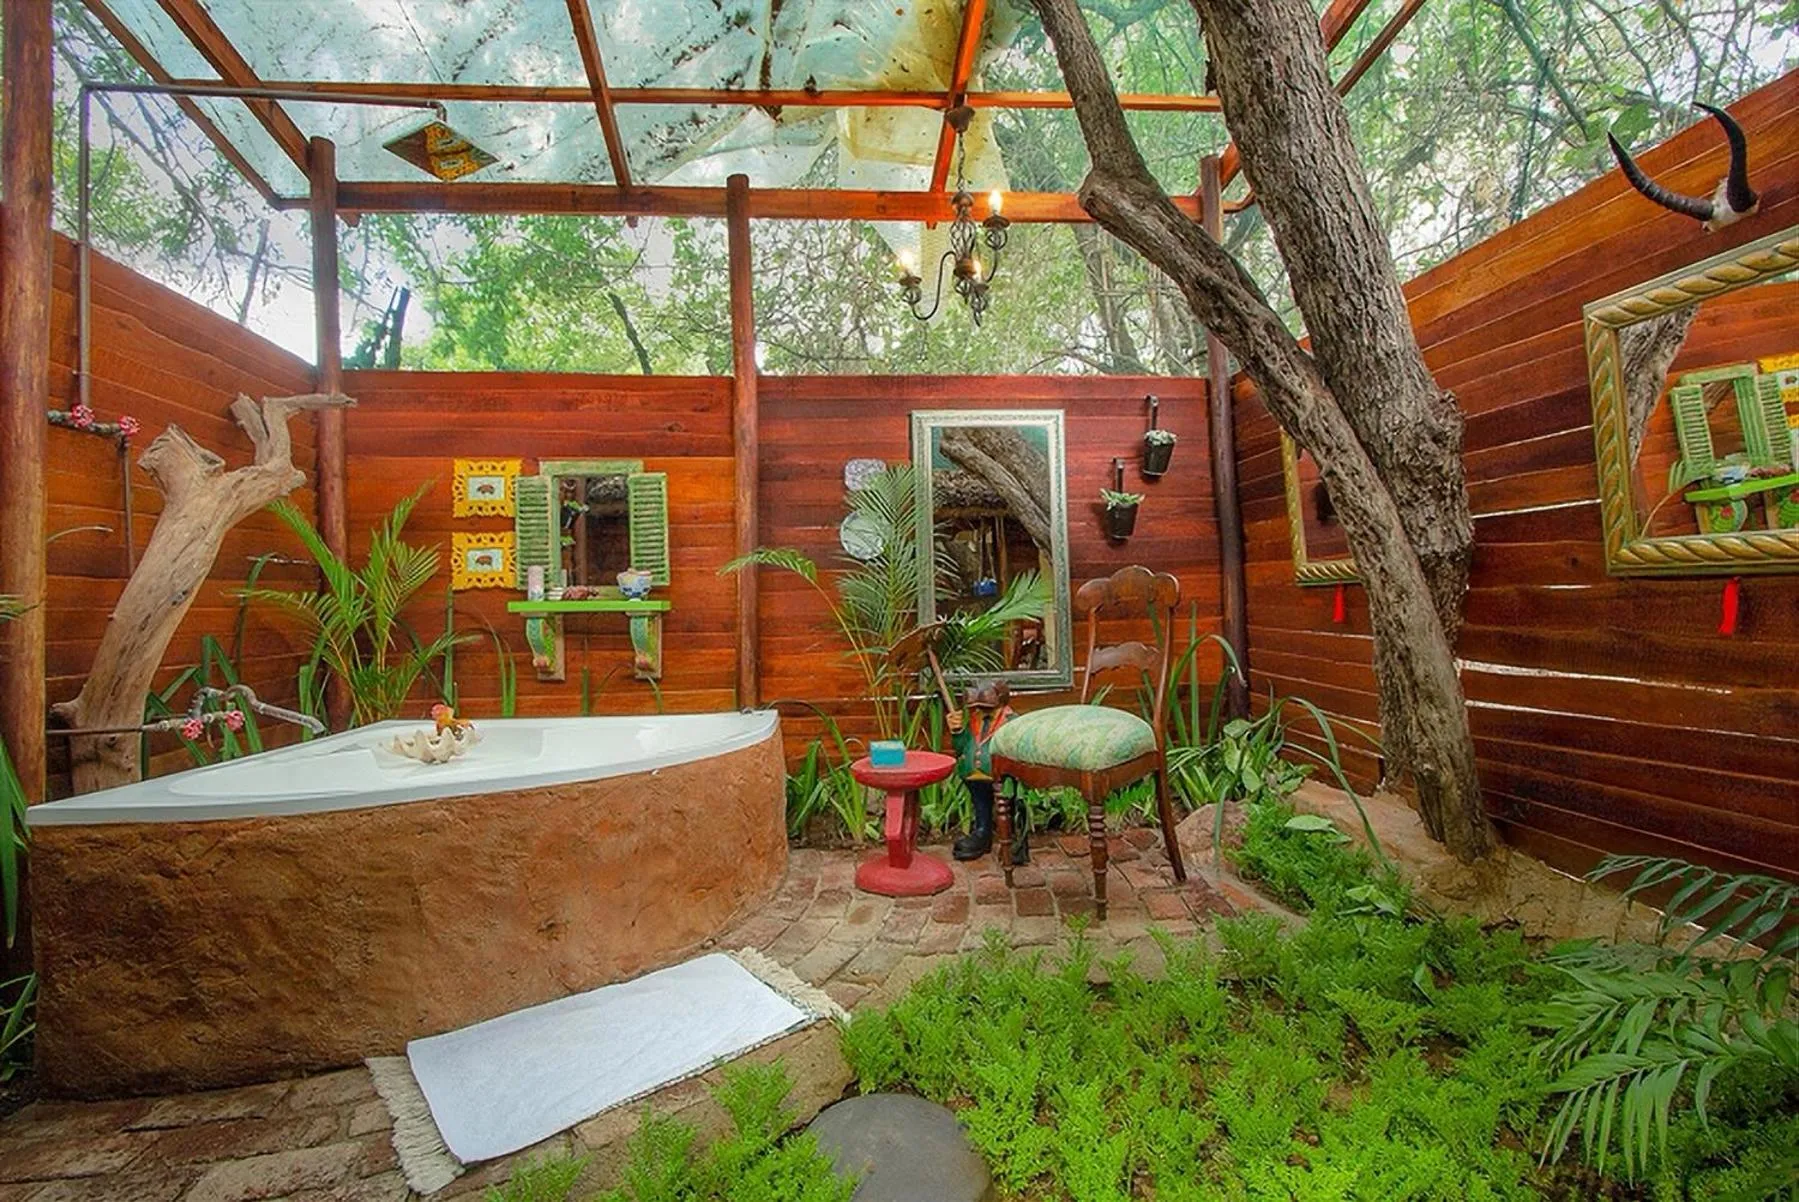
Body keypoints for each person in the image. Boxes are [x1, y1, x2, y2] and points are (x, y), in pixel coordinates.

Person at [946, 679, 1028, 865]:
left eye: (985, 708)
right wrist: (958, 732)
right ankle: (982, 833)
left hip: (1003, 776)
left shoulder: (1011, 721)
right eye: (977, 708)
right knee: (981, 806)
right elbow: (961, 748)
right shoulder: (974, 720)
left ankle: (1015, 840)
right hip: (975, 776)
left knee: (1010, 807)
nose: (980, 711)